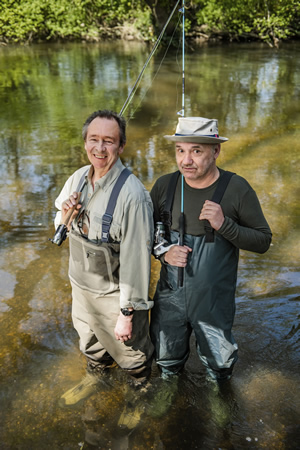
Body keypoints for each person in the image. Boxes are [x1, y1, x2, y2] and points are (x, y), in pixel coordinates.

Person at [150, 116, 272, 383]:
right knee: (166, 353)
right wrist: (163, 251)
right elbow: (145, 232)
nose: (186, 161)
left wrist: (224, 224)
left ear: (216, 151)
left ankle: (220, 394)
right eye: (180, 151)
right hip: (170, 296)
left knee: (219, 362)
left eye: (196, 151)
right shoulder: (165, 186)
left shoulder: (236, 189)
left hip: (214, 301)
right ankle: (169, 386)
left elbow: (263, 241)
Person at [54, 110, 154, 406]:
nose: (100, 148)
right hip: (81, 289)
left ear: (121, 146)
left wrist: (127, 315)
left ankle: (139, 392)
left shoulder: (133, 195)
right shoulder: (76, 179)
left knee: (132, 354)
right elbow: (58, 226)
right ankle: (96, 376)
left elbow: (138, 262)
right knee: (90, 342)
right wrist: (66, 213)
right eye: (94, 139)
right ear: (85, 143)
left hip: (115, 297)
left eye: (109, 141)